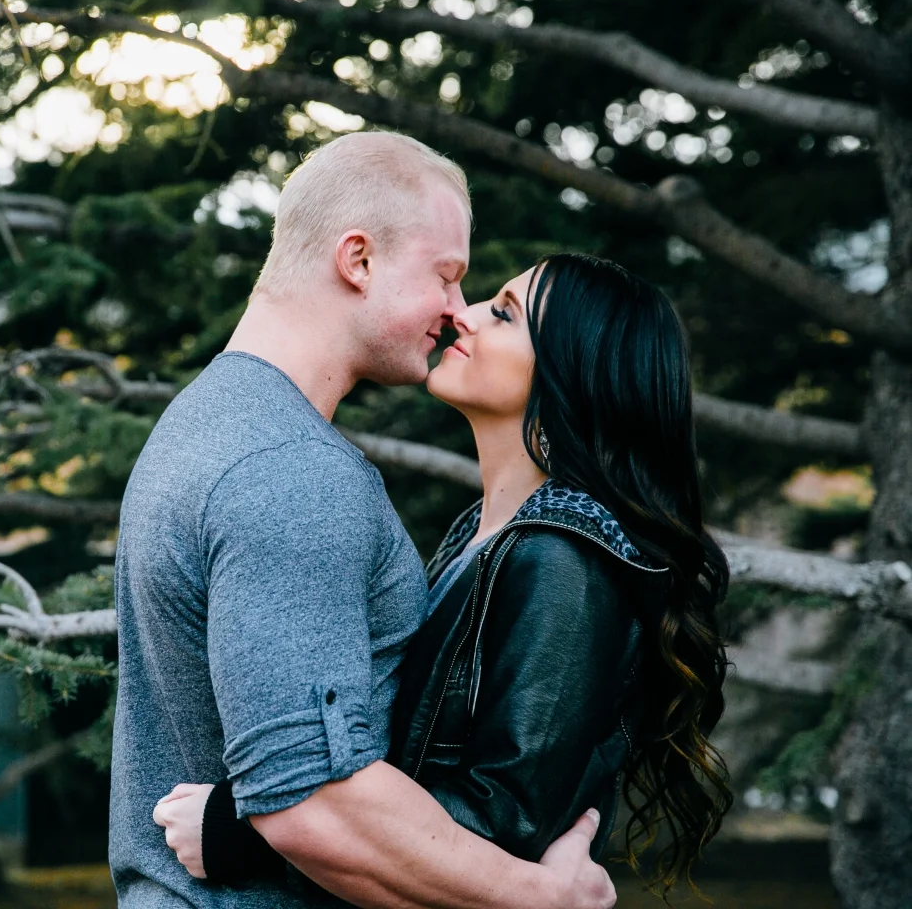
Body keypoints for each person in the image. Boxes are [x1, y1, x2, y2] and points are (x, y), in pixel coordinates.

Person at [110, 130, 618, 909]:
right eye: (446, 277)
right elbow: (310, 806)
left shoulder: (208, 422)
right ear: (358, 260)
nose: (457, 312)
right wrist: (546, 899)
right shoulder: (288, 469)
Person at [154, 254, 733, 901]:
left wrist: (246, 828)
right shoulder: (484, 539)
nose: (464, 313)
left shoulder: (567, 563)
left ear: (572, 372)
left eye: (505, 313)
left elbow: (500, 824)